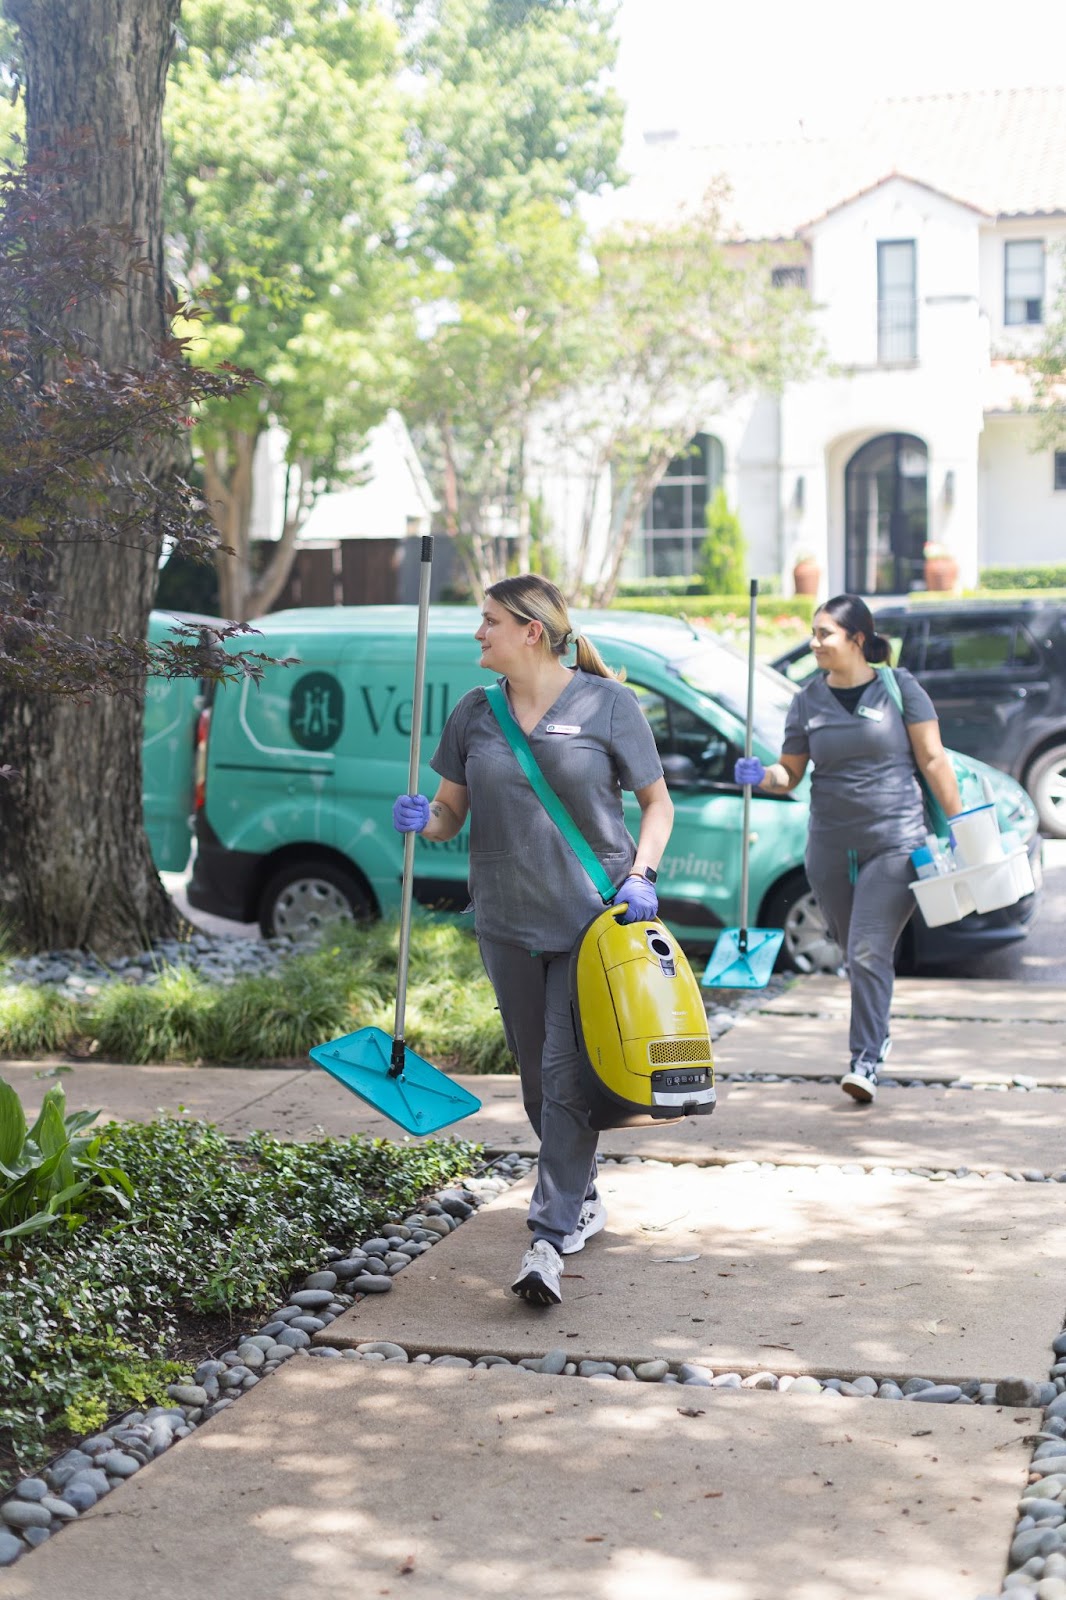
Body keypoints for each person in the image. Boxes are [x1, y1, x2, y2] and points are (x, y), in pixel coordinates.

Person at [392, 574, 673, 1306]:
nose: (477, 634)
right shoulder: (474, 714)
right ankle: (580, 1186)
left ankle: (546, 1238)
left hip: (590, 924)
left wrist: (642, 874)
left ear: (530, 630)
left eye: (487, 621)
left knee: (566, 1071)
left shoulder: (609, 705)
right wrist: (425, 820)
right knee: (536, 1080)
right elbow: (451, 815)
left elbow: (657, 805)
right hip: (506, 921)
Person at [734, 593, 961, 1105]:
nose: (814, 643)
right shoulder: (806, 700)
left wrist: (963, 825)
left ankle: (866, 1057)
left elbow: (933, 759)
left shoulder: (899, 688)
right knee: (848, 945)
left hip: (894, 843)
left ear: (857, 639)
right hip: (830, 847)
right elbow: (790, 772)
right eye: (814, 633)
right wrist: (762, 774)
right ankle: (875, 1027)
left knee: (866, 949)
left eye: (824, 634)